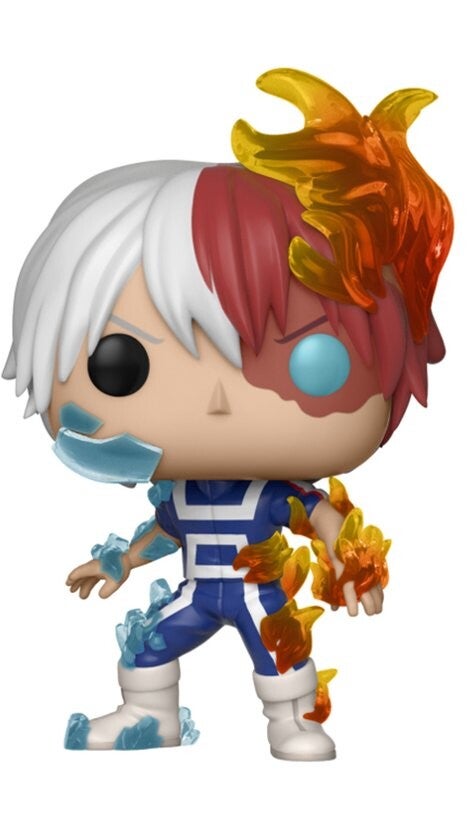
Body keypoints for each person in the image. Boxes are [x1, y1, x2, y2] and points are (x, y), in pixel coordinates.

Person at [2, 68, 453, 760]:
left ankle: (294, 721)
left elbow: (316, 516)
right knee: (147, 647)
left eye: (310, 359)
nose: (216, 400)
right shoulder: (182, 495)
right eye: (121, 366)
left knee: (281, 655)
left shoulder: (270, 493)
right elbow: (164, 531)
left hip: (259, 595)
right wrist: (121, 562)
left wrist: (349, 557)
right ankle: (149, 717)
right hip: (195, 593)